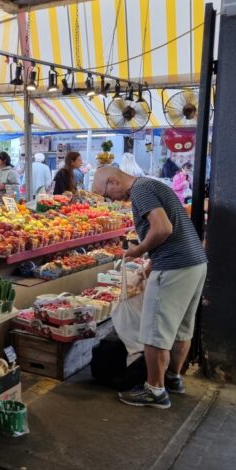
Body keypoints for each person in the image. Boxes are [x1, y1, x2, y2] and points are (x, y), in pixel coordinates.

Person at [92, 166, 207, 409]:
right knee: (181, 329)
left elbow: (163, 229)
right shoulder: (152, 185)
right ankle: (172, 378)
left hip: (173, 267)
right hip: (194, 263)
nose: (112, 200)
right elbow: (171, 234)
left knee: (155, 331)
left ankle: (154, 390)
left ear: (113, 181)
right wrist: (146, 270)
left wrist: (139, 250)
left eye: (107, 194)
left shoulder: (140, 190)